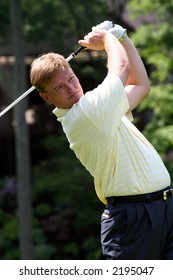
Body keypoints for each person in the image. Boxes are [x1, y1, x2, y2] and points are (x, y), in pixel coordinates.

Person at [30, 21, 173, 260]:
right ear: (46, 97)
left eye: (71, 79)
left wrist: (122, 37)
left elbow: (140, 85)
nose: (71, 88)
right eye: (60, 87)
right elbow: (123, 66)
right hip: (131, 220)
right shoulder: (84, 113)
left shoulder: (101, 107)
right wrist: (107, 38)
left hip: (164, 209)